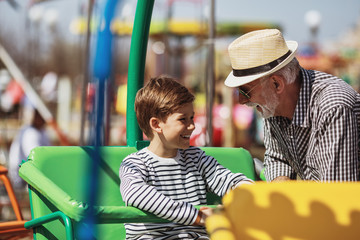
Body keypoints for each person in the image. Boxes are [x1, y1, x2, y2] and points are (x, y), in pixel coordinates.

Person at [119, 75, 253, 239]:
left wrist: (249, 192)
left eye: (192, 117)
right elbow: (136, 194)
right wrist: (196, 216)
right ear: (156, 124)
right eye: (183, 119)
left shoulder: (196, 158)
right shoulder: (135, 164)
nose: (192, 126)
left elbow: (227, 179)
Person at [224, 28, 360, 182]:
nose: (242, 100)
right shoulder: (273, 105)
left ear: (276, 84)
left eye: (245, 91)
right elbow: (276, 158)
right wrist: (282, 188)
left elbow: (336, 192)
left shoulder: (333, 107)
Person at [8, 108, 50, 191]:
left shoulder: (41, 131)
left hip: (28, 172)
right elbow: (36, 158)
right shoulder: (30, 133)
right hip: (21, 176)